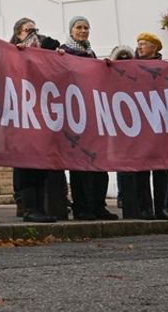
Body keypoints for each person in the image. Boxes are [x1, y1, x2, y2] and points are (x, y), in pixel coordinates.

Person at [122, 32, 168, 220]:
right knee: (142, 169)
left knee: (162, 169)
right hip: (142, 125)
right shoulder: (132, 67)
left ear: (154, 48)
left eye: (144, 44)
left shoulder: (166, 69)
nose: (140, 46)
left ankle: (161, 207)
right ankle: (145, 208)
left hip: (161, 124)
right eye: (139, 43)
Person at [61, 17, 117, 221]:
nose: (83, 31)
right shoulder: (64, 52)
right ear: (71, 30)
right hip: (75, 115)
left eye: (86, 27)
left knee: (99, 163)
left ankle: (98, 205)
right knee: (80, 166)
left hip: (93, 115)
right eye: (79, 27)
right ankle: (82, 207)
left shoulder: (91, 54)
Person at [9, 18, 60, 223]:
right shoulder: (11, 51)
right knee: (26, 164)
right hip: (22, 116)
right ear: (17, 33)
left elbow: (54, 44)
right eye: (27, 29)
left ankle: (40, 207)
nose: (31, 33)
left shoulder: (42, 50)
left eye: (34, 29)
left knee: (40, 163)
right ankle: (29, 207)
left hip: (40, 114)